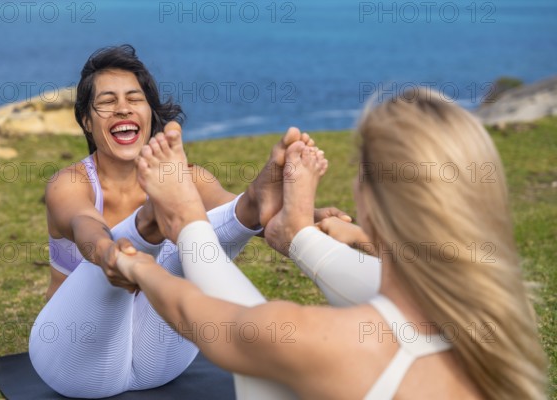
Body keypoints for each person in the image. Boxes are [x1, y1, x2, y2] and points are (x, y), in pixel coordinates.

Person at [115, 90, 548, 399]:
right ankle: (297, 235)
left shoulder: (331, 346)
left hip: (302, 346)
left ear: (372, 206)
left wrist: (165, 241)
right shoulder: (504, 311)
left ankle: (210, 230)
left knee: (266, 365)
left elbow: (207, 319)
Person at [29, 44, 352, 398]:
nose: (122, 107)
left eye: (134, 99)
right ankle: (147, 225)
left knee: (198, 233)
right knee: (129, 249)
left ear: (150, 113)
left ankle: (251, 204)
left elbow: (222, 211)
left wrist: (310, 216)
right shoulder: (70, 183)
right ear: (87, 122)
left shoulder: (185, 178)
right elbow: (83, 223)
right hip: (78, 359)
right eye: (106, 101)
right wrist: (109, 252)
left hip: (161, 359)